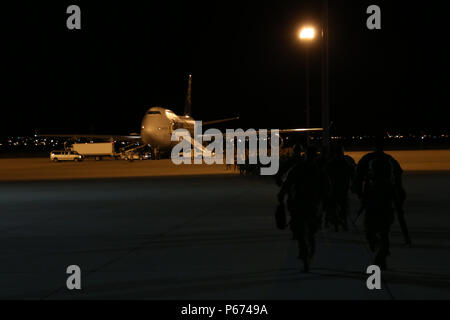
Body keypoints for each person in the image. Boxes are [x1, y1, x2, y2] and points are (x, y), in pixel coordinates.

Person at [353, 135, 408, 269]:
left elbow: (358, 177)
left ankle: (381, 254)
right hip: (381, 199)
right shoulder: (389, 160)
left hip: (375, 199)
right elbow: (398, 180)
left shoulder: (369, 159)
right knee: (382, 230)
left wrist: (360, 193)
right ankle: (381, 252)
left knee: (373, 229)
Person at [278, 145, 329, 272]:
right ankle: (307, 252)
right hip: (310, 204)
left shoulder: (300, 168)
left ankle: (305, 252)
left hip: (302, 204)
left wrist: (281, 194)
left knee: (303, 232)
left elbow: (288, 182)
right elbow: (327, 187)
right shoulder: (317, 169)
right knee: (308, 231)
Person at [324, 143, 356, 231]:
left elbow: (352, 173)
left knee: (340, 207)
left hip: (340, 188)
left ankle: (340, 222)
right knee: (338, 207)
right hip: (337, 188)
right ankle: (339, 222)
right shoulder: (343, 162)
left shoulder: (335, 162)